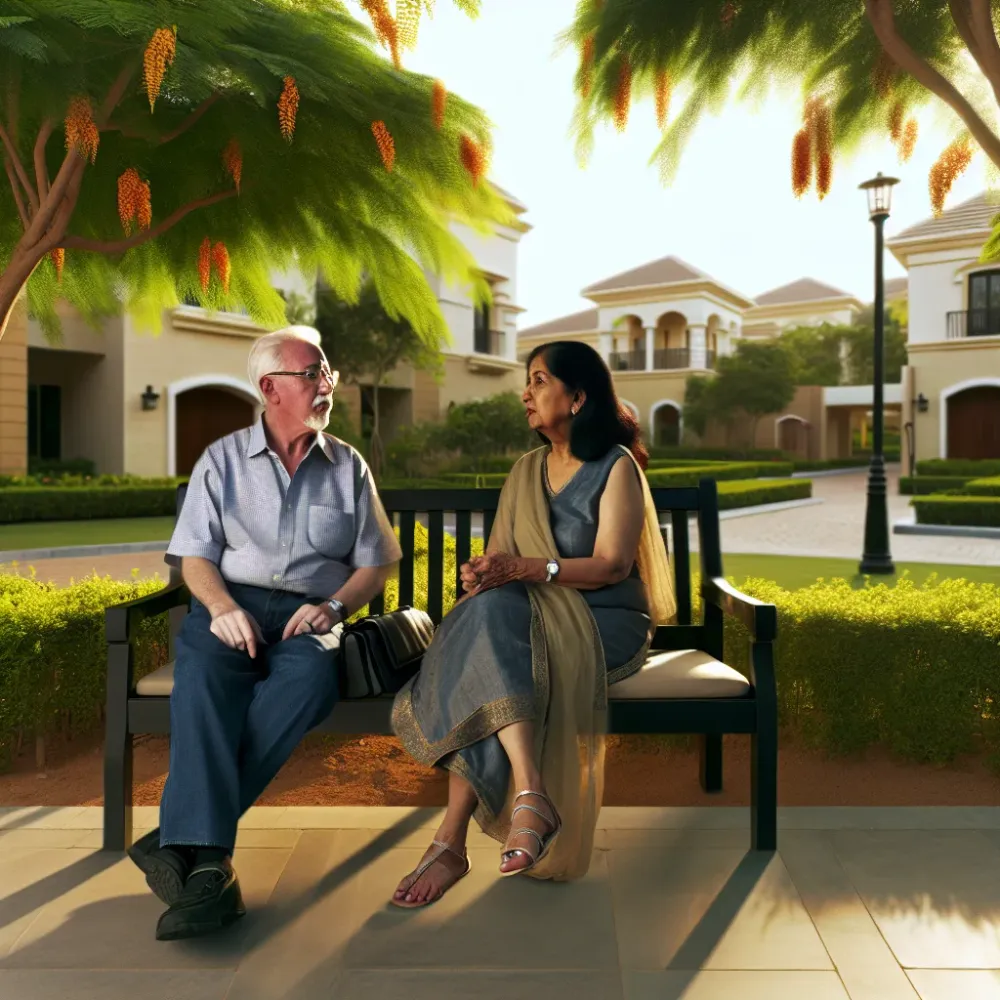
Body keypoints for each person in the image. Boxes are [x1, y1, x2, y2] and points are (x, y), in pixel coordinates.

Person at [127, 325, 402, 941]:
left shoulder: (348, 466)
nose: (327, 383)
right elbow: (194, 555)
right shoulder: (221, 460)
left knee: (310, 677)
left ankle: (182, 841)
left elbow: (378, 562)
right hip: (232, 608)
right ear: (270, 387)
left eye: (327, 372)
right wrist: (222, 607)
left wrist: (333, 606)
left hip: (310, 614)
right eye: (314, 374)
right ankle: (207, 872)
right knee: (200, 675)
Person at [389, 340, 676, 907]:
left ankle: (450, 841)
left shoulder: (614, 466)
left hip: (603, 620)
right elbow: (502, 563)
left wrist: (524, 568)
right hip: (524, 618)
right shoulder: (524, 471)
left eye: (540, 380)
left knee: (488, 648)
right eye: (528, 380)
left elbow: (612, 565)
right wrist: (483, 574)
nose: (526, 391)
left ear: (578, 396)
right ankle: (530, 794)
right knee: (484, 616)